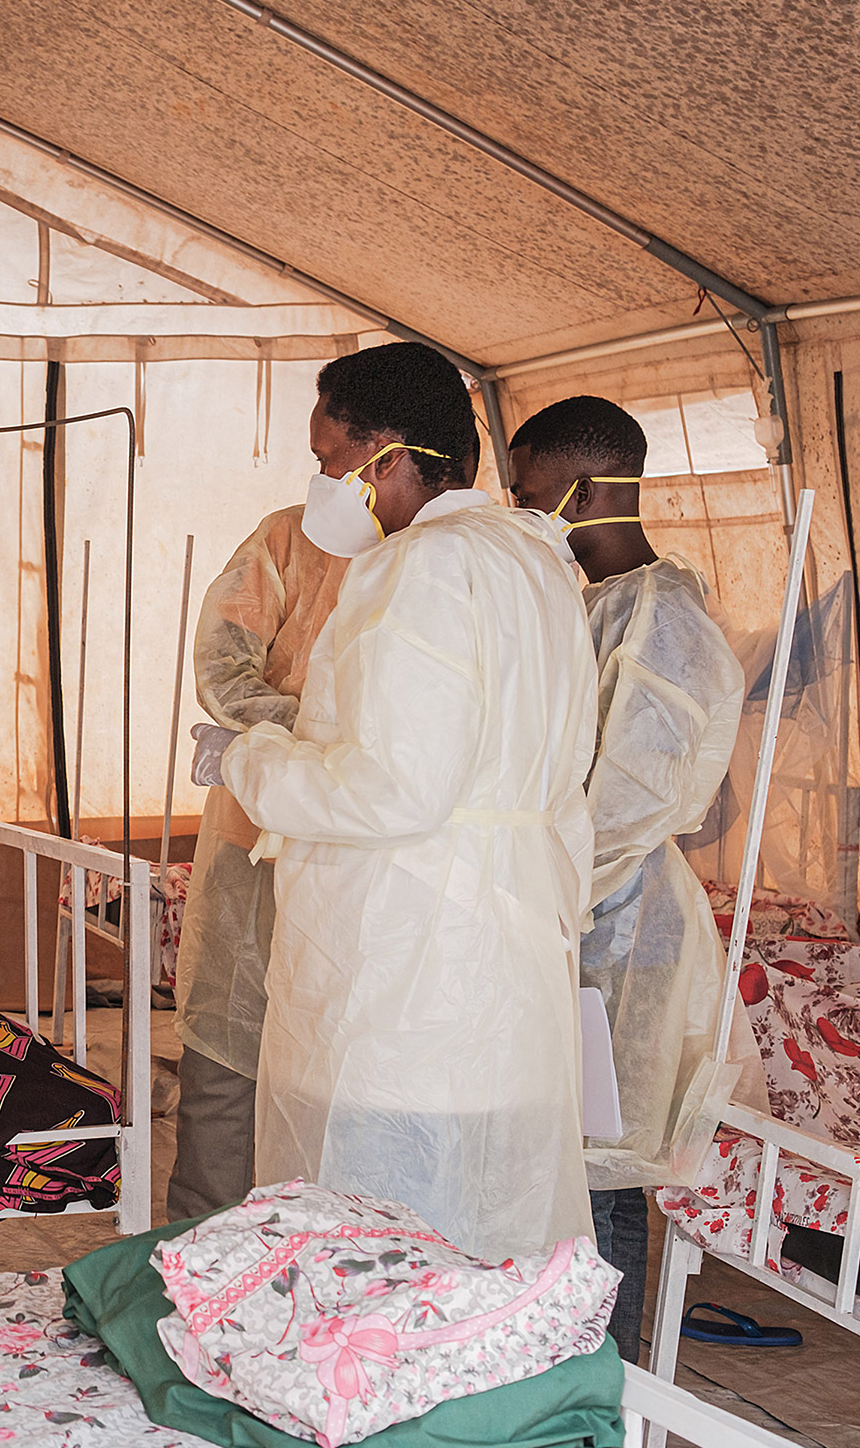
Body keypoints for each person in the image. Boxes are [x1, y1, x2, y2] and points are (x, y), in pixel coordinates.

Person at [190, 342, 602, 1263]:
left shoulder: (416, 569)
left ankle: (381, 1387)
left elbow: (387, 792)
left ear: (386, 453)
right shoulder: (533, 560)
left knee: (382, 1237)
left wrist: (250, 758)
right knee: (490, 1222)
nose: (323, 482)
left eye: (330, 459)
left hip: (407, 964)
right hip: (501, 947)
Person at [510, 395, 748, 1360]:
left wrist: (548, 890)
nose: (528, 514)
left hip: (617, 919)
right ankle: (562, 1357)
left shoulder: (663, 619)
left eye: (535, 496)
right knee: (562, 1159)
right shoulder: (592, 605)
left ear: (588, 486)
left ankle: (602, 1375)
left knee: (603, 1170)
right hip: (568, 908)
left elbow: (634, 800)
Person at [165, 508, 349, 1224]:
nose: (332, 477)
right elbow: (223, 667)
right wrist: (325, 743)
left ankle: (327, 1266)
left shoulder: (452, 559)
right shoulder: (290, 540)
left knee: (343, 1068)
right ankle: (199, 1262)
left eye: (338, 457)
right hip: (259, 832)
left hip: (372, 855)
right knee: (228, 1054)